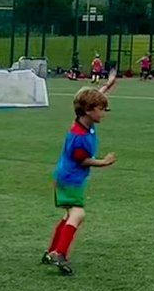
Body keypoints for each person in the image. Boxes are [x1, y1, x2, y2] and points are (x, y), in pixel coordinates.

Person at [44, 71, 119, 275]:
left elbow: (94, 96)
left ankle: (51, 251)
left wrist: (107, 86)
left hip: (69, 178)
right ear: (88, 110)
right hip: (69, 180)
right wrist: (104, 162)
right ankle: (59, 253)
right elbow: (82, 160)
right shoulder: (79, 137)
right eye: (102, 109)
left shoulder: (84, 120)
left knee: (69, 214)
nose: (104, 113)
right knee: (78, 213)